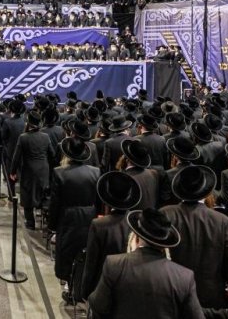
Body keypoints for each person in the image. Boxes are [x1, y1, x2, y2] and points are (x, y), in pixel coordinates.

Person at [88, 208, 204, 319]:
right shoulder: (184, 277)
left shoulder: (114, 265)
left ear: (136, 237)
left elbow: (98, 306)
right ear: (164, 245)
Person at [162, 165, 228, 309]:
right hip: (210, 296)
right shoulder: (222, 221)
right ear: (206, 191)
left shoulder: (166, 214)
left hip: (172, 291)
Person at [47, 136, 101, 302]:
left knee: (67, 254)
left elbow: (55, 202)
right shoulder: (95, 171)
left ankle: (70, 289)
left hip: (68, 217)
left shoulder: (59, 172)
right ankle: (81, 288)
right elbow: (98, 200)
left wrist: (52, 225)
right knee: (86, 252)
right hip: (90, 217)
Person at [80, 171, 142, 299]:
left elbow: (91, 262)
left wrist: (85, 292)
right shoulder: (137, 222)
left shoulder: (99, 225)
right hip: (129, 287)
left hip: (103, 285)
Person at [10, 109, 54, 230]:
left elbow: (16, 157)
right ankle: (44, 219)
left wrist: (12, 171)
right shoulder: (46, 136)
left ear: (28, 122)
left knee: (27, 194)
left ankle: (30, 222)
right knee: (43, 192)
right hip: (43, 170)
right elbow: (52, 154)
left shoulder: (23, 137)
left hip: (28, 170)